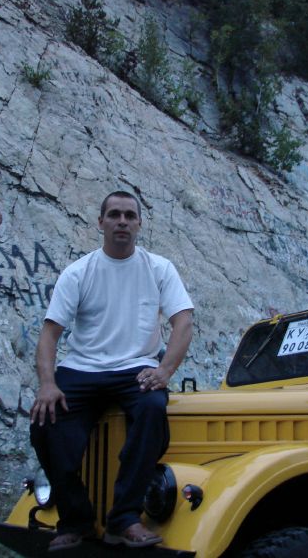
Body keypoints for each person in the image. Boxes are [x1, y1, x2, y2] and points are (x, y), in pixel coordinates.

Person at [29, 190, 194, 552]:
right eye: (115, 214)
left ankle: (124, 519)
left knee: (152, 409)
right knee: (43, 422)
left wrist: (165, 370)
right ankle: (76, 521)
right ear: (100, 222)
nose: (122, 221)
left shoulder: (159, 268)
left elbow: (183, 322)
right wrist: (47, 384)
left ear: (139, 224)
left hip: (137, 368)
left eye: (129, 216)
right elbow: (49, 334)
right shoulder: (79, 272)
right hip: (81, 368)